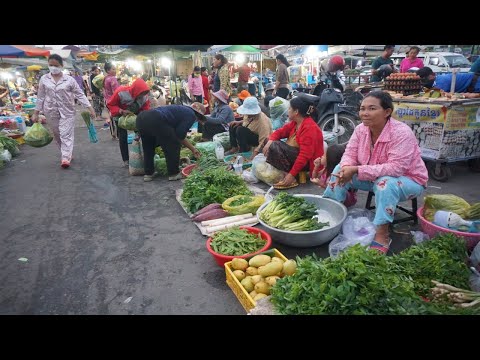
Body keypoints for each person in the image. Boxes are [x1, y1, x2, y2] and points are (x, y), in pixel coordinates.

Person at [322, 91, 428, 254]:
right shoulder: (360, 130)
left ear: (387, 112)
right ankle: (330, 216)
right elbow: (349, 154)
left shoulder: (401, 133)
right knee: (338, 169)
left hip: (408, 180)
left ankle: (382, 234)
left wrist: (356, 169)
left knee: (385, 183)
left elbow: (396, 168)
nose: (365, 113)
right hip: (373, 176)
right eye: (362, 108)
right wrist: (346, 168)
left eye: (372, 108)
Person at [32, 54, 96, 168]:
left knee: (65, 134)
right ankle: (67, 152)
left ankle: (65, 158)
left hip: (68, 111)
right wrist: (36, 113)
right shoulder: (44, 79)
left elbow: (80, 94)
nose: (53, 67)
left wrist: (90, 108)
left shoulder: (69, 80)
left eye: (55, 65)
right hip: (50, 111)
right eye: (50, 65)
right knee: (57, 134)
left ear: (61, 65)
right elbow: (41, 96)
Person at [261, 93, 324, 189]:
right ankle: (286, 173)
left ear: (296, 112)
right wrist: (270, 140)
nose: (288, 110)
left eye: (290, 108)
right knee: (269, 141)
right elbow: (280, 132)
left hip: (308, 163)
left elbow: (304, 156)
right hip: (296, 156)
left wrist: (292, 175)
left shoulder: (309, 127)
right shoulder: (296, 123)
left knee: (275, 145)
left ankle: (290, 177)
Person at [136, 103, 206, 182]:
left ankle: (148, 174)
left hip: (141, 118)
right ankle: (174, 173)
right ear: (199, 115)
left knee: (148, 146)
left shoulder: (181, 109)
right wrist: (193, 149)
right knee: (173, 144)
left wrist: (192, 149)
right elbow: (180, 135)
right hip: (156, 118)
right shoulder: (191, 114)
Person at [107, 78, 151, 167]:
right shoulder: (121, 92)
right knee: (123, 137)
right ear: (136, 90)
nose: (142, 95)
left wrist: (143, 118)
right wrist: (121, 111)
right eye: (141, 93)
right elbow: (110, 104)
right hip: (120, 116)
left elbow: (145, 109)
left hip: (135, 115)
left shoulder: (144, 97)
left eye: (144, 93)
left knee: (141, 134)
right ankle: (126, 159)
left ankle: (143, 155)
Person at [103, 62, 120, 140]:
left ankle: (114, 133)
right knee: (115, 118)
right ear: (108, 70)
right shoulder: (112, 78)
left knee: (112, 117)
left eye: (115, 69)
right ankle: (116, 134)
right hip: (113, 101)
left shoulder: (106, 78)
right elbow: (116, 92)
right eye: (113, 69)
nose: (115, 70)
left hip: (107, 100)